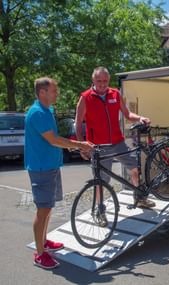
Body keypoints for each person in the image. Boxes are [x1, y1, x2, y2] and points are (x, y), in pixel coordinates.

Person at [25, 77, 94, 269]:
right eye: (54, 90)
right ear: (42, 92)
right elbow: (53, 140)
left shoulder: (47, 110)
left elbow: (55, 140)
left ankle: (44, 242)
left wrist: (73, 147)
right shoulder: (38, 113)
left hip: (51, 166)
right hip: (41, 168)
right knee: (43, 210)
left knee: (48, 207)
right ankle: (40, 254)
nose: (58, 93)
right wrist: (80, 144)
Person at [75, 66, 155, 209]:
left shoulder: (115, 94)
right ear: (93, 80)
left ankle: (140, 198)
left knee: (135, 169)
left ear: (109, 80)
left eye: (105, 81)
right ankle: (100, 210)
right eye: (99, 81)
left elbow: (127, 114)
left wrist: (140, 118)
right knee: (100, 181)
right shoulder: (85, 97)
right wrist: (82, 146)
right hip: (98, 147)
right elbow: (78, 123)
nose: (102, 84)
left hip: (118, 143)